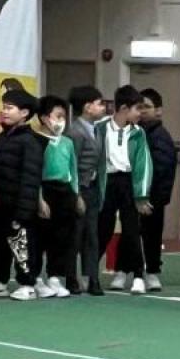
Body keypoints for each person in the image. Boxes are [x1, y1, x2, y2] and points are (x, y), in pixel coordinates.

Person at [0, 86, 43, 301]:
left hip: (19, 207)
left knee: (22, 246)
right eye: (4, 107)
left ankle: (27, 285)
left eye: (10, 108)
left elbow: (30, 178)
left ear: (24, 113)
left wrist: (24, 212)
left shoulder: (30, 142)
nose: (4, 111)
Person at [96, 85, 152, 293]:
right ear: (123, 109)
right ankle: (89, 273)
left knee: (131, 230)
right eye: (138, 108)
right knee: (103, 229)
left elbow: (143, 164)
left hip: (128, 183)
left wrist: (141, 195)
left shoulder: (138, 133)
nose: (140, 113)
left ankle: (138, 276)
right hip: (106, 183)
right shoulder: (100, 128)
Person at [32, 94, 81, 299]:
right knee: (40, 237)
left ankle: (54, 277)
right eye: (57, 116)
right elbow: (34, 172)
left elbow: (73, 171)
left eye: (64, 117)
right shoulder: (36, 141)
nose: (61, 121)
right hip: (45, 190)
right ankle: (35, 278)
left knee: (61, 237)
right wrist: (39, 199)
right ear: (44, 118)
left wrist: (76, 195)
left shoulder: (67, 143)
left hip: (65, 192)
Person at [137, 87, 178, 290]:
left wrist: (153, 199)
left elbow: (163, 172)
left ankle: (152, 272)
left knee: (151, 236)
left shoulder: (160, 136)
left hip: (152, 199)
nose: (142, 111)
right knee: (130, 235)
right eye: (139, 107)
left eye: (147, 107)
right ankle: (127, 270)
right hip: (133, 196)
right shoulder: (133, 133)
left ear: (158, 110)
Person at [68, 85, 106, 294]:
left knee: (92, 235)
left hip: (92, 188)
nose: (103, 108)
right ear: (87, 107)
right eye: (99, 104)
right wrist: (76, 195)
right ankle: (71, 278)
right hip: (79, 189)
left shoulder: (97, 129)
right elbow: (72, 165)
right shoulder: (74, 131)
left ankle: (92, 278)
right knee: (75, 235)